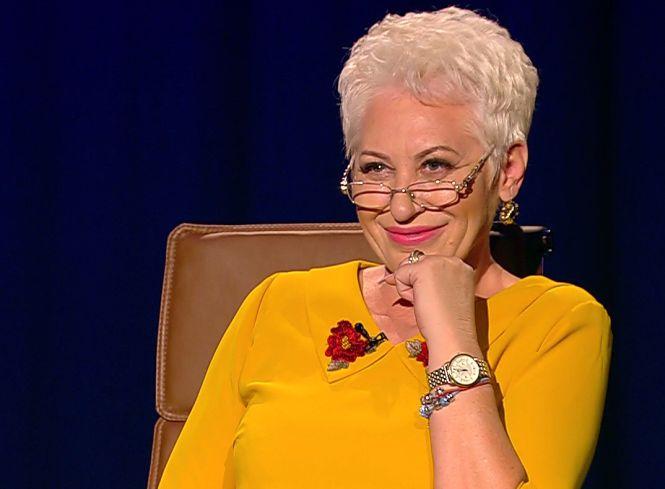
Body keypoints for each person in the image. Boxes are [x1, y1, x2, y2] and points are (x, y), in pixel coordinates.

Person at [158, 6, 612, 489]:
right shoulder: (276, 305)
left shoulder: (557, 325)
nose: (400, 207)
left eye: (435, 166)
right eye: (375, 169)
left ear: (507, 171)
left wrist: (452, 332)